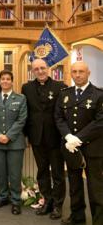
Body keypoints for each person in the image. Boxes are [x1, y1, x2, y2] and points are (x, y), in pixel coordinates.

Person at [55, 61, 103, 225]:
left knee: (95, 186)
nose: (77, 75)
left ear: (88, 73)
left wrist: (79, 138)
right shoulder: (65, 94)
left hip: (93, 148)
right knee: (74, 184)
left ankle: (98, 219)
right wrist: (68, 136)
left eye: (81, 71)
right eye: (74, 71)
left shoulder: (98, 94)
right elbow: (59, 117)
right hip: (70, 147)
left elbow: (100, 121)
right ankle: (77, 217)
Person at [21, 58, 66, 219]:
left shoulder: (61, 87)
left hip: (55, 137)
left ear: (49, 68)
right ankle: (47, 201)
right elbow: (25, 114)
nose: (40, 71)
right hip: (36, 136)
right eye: (37, 69)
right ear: (32, 71)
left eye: (43, 68)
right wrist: (26, 136)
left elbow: (63, 114)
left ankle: (58, 205)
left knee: (58, 173)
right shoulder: (26, 88)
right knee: (42, 172)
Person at [0, 70, 27, 215]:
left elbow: (21, 119)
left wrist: (8, 136)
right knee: (1, 173)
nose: (5, 81)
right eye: (2, 79)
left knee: (15, 174)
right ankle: (3, 197)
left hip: (15, 142)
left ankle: (16, 200)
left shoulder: (21, 98)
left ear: (12, 81)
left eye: (8, 79)